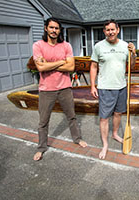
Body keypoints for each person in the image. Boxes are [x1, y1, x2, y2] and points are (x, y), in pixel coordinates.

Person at [32, 17, 87, 161]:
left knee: (72, 116)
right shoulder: (38, 45)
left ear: (59, 30)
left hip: (65, 88)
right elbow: (40, 67)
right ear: (46, 28)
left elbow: (71, 67)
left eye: (56, 28)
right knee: (43, 121)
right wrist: (62, 61)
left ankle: (77, 139)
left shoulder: (66, 46)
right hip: (46, 89)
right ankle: (41, 148)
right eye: (51, 27)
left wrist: (49, 64)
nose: (54, 30)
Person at [90, 19, 136, 160]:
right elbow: (93, 66)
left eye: (112, 29)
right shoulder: (98, 47)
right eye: (107, 30)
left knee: (118, 113)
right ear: (104, 31)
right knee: (104, 118)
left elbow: (132, 66)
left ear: (118, 30)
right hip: (105, 87)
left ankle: (115, 133)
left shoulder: (125, 46)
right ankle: (105, 145)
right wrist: (93, 85)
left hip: (121, 86)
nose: (110, 32)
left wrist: (133, 54)